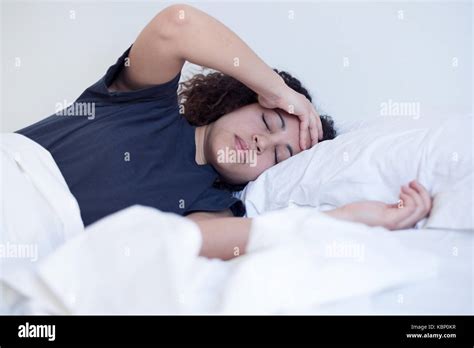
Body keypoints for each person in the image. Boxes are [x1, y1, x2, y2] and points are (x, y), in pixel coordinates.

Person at [16, 4, 432, 260]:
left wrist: (347, 218)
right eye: (269, 123)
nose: (260, 143)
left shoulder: (213, 205)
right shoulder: (142, 100)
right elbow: (176, 24)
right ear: (242, 99)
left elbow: (196, 241)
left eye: (278, 156)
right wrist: (278, 89)